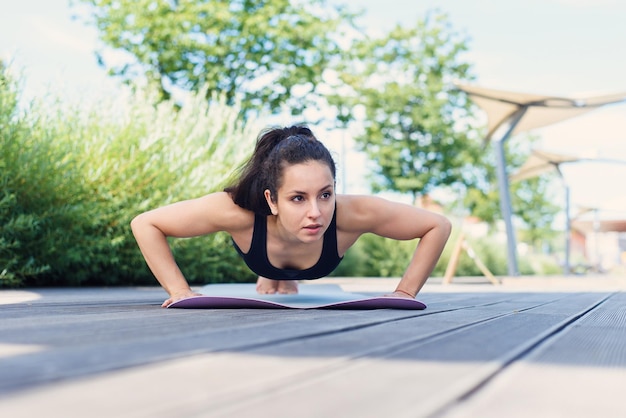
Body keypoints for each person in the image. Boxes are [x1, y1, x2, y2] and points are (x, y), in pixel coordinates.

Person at [130, 125, 451, 308]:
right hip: (262, 248)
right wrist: (179, 290)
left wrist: (405, 292)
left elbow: (437, 225)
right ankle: (272, 272)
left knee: (287, 267)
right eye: (298, 198)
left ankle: (279, 273)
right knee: (272, 273)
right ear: (271, 199)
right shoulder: (234, 210)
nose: (316, 212)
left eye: (326, 194)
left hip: (294, 249)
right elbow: (146, 223)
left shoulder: (354, 212)